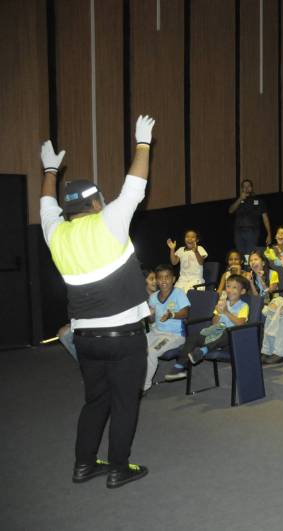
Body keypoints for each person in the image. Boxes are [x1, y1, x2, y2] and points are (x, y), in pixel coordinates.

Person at [39, 114, 156, 487]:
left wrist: (50, 169)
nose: (107, 201)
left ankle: (84, 464)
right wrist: (143, 144)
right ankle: (119, 468)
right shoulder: (108, 222)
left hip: (85, 340)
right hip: (124, 338)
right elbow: (135, 186)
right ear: (94, 204)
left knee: (95, 401)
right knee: (125, 403)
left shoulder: (56, 233)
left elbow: (45, 205)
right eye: (101, 198)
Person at [165, 274, 250, 380]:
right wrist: (219, 313)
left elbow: (240, 323)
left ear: (242, 291)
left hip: (232, 339)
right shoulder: (223, 303)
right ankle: (178, 367)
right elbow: (214, 323)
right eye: (228, 286)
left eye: (234, 287)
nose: (230, 290)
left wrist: (227, 312)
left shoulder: (243, 306)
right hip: (216, 333)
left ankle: (203, 351)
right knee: (193, 337)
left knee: (227, 331)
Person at [143, 264, 190, 393]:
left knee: (152, 352)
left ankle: (143, 386)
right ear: (157, 280)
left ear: (173, 279)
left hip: (173, 336)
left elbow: (186, 313)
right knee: (134, 347)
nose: (164, 281)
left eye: (167, 277)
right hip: (155, 332)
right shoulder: (153, 297)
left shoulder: (179, 293)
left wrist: (172, 314)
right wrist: (150, 316)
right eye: (160, 278)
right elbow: (151, 320)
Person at [228, 179, 271, 257]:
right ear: (241, 189)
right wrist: (240, 199)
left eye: (248, 186)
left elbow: (265, 218)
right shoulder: (238, 200)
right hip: (239, 232)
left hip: (252, 232)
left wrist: (269, 234)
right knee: (240, 255)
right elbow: (230, 211)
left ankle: (249, 268)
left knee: (249, 254)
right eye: (244, 187)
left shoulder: (258, 201)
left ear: (251, 188)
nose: (246, 188)